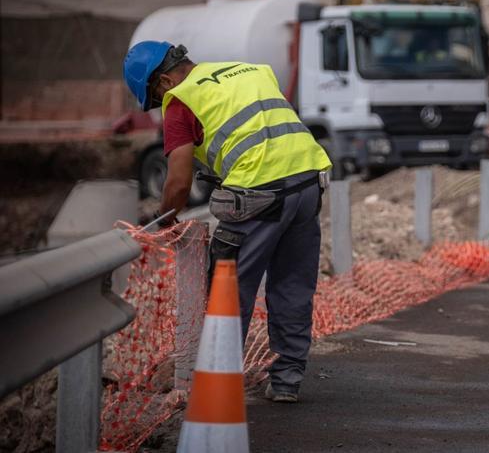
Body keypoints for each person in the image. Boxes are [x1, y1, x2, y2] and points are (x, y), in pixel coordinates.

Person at [122, 41, 332, 403]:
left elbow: (177, 183)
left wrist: (164, 224)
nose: (160, 109)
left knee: (227, 291)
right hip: (309, 182)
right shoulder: (250, 70)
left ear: (162, 83)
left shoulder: (181, 100)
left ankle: (218, 388)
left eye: (156, 100)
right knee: (293, 287)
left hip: (258, 194)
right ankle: (287, 381)